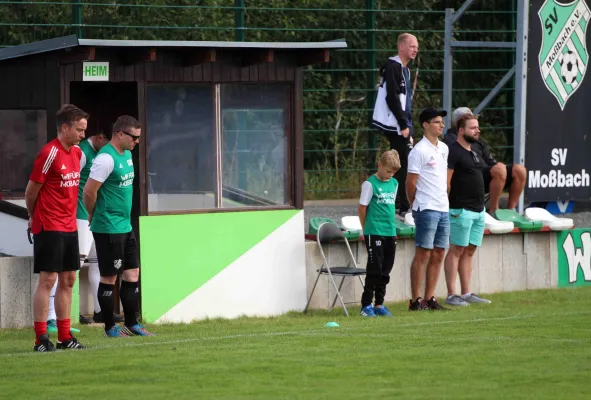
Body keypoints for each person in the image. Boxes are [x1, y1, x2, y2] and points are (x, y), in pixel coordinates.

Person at [83, 115, 155, 337]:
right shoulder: (105, 159)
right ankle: (109, 327)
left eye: (138, 137)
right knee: (109, 276)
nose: (136, 141)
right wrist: (92, 213)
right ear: (120, 134)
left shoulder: (128, 154)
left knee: (132, 272)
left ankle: (132, 323)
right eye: (133, 137)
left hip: (125, 225)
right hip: (108, 227)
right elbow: (89, 191)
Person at [25, 104, 89, 351]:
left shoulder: (76, 154)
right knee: (48, 279)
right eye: (79, 130)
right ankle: (40, 339)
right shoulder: (49, 153)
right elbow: (31, 192)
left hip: (69, 225)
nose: (83, 135)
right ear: (65, 128)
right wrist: (33, 216)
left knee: (69, 279)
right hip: (49, 224)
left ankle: (65, 338)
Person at [76, 130, 125, 325]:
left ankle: (100, 311)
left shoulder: (104, 153)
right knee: (76, 265)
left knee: (98, 263)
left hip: (97, 217)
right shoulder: (82, 152)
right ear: (99, 137)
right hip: (81, 215)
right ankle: (70, 314)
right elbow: (72, 181)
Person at [443, 114, 492, 307]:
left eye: (477, 127)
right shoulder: (453, 151)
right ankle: (451, 294)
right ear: (461, 131)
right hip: (460, 210)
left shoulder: (476, 150)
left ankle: (466, 292)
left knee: (469, 251)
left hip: (478, 210)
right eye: (473, 128)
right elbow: (446, 181)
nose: (477, 131)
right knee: (456, 249)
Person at [443, 107, 527, 214]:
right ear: (459, 124)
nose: (477, 130)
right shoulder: (450, 140)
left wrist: (498, 166)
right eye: (467, 118)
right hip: (467, 177)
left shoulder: (477, 139)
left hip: (484, 174)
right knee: (499, 170)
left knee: (519, 170)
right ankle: (493, 210)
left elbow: (490, 160)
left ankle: (511, 211)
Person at [406, 107, 450, 311]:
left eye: (442, 122)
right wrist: (416, 204)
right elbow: (411, 182)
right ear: (425, 125)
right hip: (426, 208)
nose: (441, 125)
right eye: (437, 122)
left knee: (440, 252)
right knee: (423, 253)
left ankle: (430, 297)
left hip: (443, 207)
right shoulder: (418, 151)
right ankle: (415, 300)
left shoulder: (444, 148)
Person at [372, 33, 419, 216]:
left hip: (403, 124)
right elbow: (392, 97)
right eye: (412, 46)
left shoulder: (405, 70)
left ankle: (401, 203)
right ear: (401, 47)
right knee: (404, 164)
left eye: (416, 47)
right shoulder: (393, 68)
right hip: (396, 125)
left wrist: (409, 125)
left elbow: (405, 101)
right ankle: (404, 206)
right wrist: (403, 124)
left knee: (404, 161)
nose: (415, 50)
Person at [357, 150, 401, 317]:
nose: (390, 175)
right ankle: (366, 305)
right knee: (374, 268)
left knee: (385, 269)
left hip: (390, 231)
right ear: (380, 166)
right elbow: (362, 208)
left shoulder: (394, 183)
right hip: (374, 231)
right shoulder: (370, 184)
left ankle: (379, 304)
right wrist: (366, 227)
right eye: (388, 171)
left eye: (394, 172)